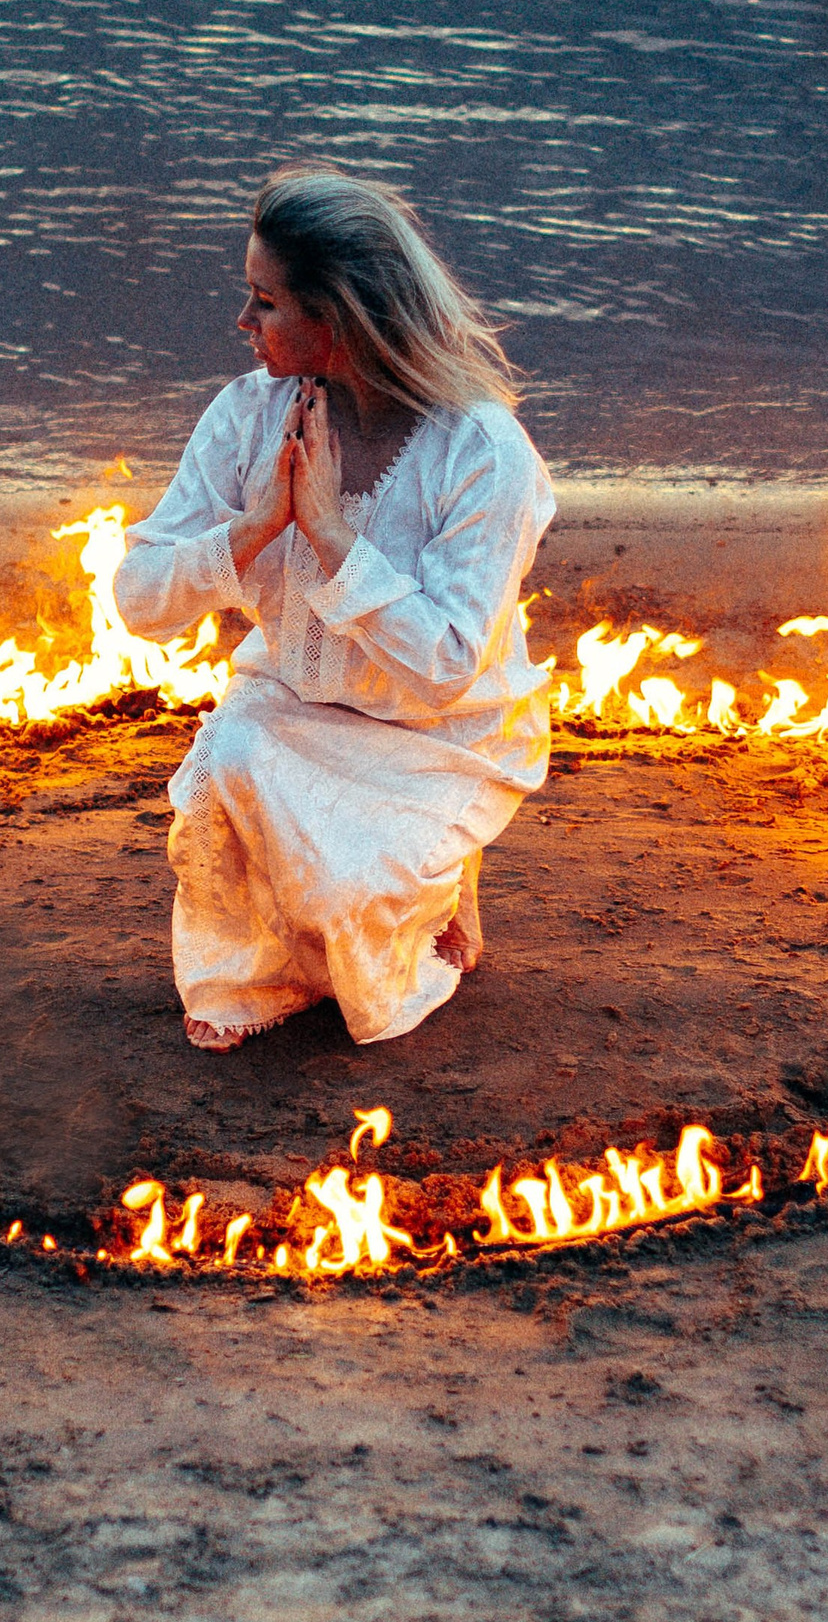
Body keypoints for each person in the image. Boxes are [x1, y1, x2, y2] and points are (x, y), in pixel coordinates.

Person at [112, 166, 556, 1050]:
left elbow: (447, 665)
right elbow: (138, 599)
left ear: (339, 316)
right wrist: (253, 529)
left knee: (345, 893)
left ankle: (438, 873)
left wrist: (331, 536)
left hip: (439, 731)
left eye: (265, 301)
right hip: (292, 705)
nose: (243, 321)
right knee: (217, 771)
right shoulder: (248, 416)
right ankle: (262, 968)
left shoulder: (481, 450)